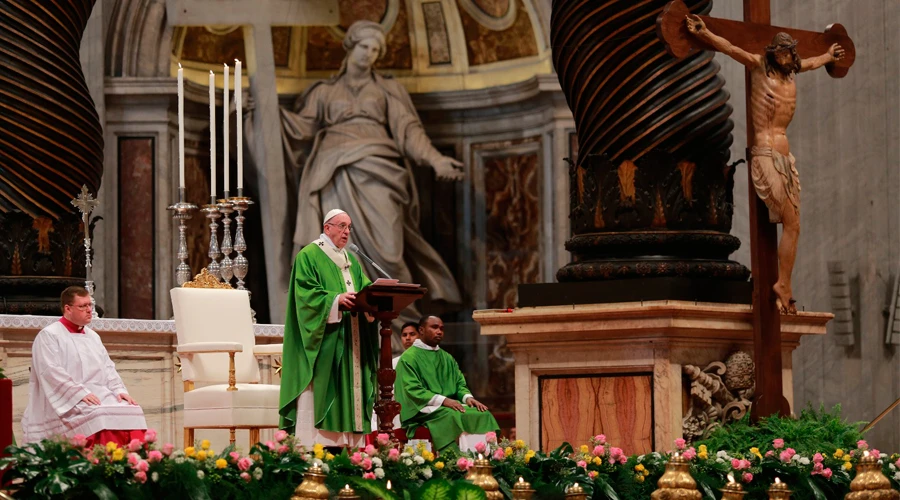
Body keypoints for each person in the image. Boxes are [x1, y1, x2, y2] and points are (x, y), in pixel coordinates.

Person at [281, 20, 463, 312]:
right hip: (335, 170)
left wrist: (436, 159)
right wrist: (262, 112)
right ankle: (341, 307)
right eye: (365, 46)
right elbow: (300, 128)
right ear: (351, 47)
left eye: (376, 50)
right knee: (337, 248)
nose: (370, 54)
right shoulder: (324, 92)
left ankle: (400, 319)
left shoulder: (387, 89)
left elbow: (409, 130)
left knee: (389, 250)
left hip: (379, 169)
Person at [685, 15, 844, 314]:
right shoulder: (759, 67)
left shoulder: (793, 72)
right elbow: (731, 48)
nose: (787, 57)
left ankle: (784, 283)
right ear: (774, 53)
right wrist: (704, 33)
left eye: (790, 52)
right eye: (782, 52)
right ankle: (782, 284)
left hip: (786, 158)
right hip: (766, 153)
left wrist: (828, 56)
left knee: (794, 225)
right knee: (789, 220)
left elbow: (812, 63)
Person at [279, 209, 380, 448]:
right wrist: (335, 300)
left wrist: (375, 304)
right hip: (326, 342)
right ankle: (322, 449)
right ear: (327, 228)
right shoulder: (310, 255)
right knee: (326, 389)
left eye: (349, 227)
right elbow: (305, 296)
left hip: (351, 342)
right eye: (342, 226)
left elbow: (365, 290)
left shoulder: (351, 260)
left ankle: (351, 451)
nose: (346, 232)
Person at [22, 287, 146, 446]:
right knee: (101, 415)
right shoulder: (49, 335)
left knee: (132, 410)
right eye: (83, 306)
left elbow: (108, 368)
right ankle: (102, 462)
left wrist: (119, 390)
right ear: (68, 308)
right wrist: (78, 393)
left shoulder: (93, 336)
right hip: (68, 399)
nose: (89, 310)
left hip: (97, 394)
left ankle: (132, 464)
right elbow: (50, 372)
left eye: (90, 305)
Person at [395, 316, 499, 452]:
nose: (439, 331)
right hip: (422, 410)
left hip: (447, 406)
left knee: (483, 414)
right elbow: (412, 390)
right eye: (434, 327)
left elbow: (459, 383)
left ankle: (487, 460)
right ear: (421, 330)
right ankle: (458, 462)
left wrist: (468, 398)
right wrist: (444, 400)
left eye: (442, 329)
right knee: (455, 416)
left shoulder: (447, 358)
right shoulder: (409, 357)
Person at [370, 321, 420, 431]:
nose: (408, 338)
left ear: (420, 336)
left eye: (412, 334)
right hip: (399, 409)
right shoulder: (394, 363)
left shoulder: (427, 362)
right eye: (404, 335)